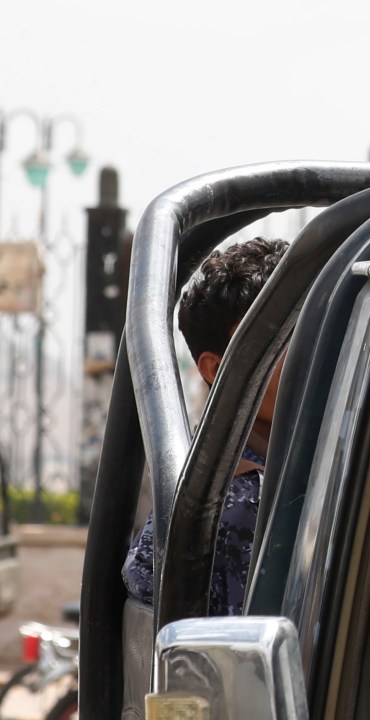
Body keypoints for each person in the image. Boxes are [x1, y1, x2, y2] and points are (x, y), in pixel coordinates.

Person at [123, 236, 287, 615]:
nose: (310, 353)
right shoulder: (240, 503)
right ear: (217, 369)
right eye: (281, 341)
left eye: (315, 330)